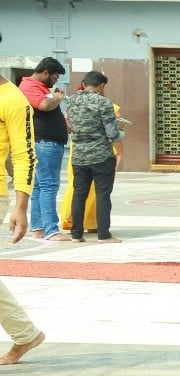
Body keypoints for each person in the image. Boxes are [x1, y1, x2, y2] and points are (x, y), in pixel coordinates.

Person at [0, 60, 46, 365]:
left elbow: (24, 155)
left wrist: (20, 206)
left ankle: (26, 334)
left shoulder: (13, 100)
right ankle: (26, 334)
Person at [63, 71, 124, 244]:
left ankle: (76, 234)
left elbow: (68, 125)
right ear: (101, 86)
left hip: (79, 156)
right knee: (103, 194)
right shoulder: (104, 103)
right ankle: (103, 235)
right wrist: (120, 151)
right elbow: (112, 132)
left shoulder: (72, 101)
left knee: (79, 194)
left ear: (84, 84)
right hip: (101, 156)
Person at [18, 57, 69, 242]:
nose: (56, 80)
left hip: (47, 143)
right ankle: (51, 230)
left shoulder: (39, 88)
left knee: (40, 187)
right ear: (45, 72)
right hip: (45, 143)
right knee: (49, 186)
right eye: (55, 76)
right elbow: (44, 105)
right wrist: (57, 98)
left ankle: (38, 228)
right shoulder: (29, 86)